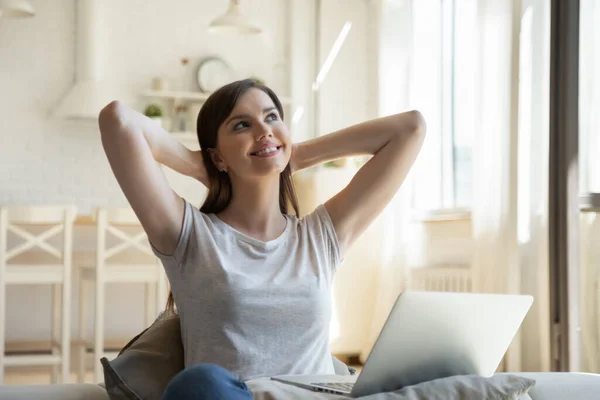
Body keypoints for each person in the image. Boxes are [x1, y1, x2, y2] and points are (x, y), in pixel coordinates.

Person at [98, 79, 425, 400]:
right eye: (241, 125)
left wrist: (294, 155)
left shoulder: (321, 236)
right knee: (199, 383)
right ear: (218, 157)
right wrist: (199, 166)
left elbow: (410, 128)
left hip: (314, 396)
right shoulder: (190, 236)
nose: (263, 130)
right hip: (227, 396)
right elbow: (118, 120)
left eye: (271, 117)